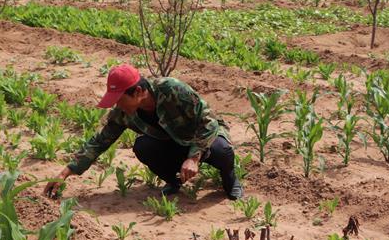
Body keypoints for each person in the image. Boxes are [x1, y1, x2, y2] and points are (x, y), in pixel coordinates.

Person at [43, 63, 243, 201]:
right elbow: (101, 141)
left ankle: (230, 179)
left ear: (138, 92)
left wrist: (194, 157)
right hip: (171, 142)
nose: (118, 105)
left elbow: (208, 121)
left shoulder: (171, 89)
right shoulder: (124, 113)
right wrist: (66, 172)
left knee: (223, 150)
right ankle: (173, 182)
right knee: (143, 147)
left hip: (202, 137)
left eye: (121, 99)